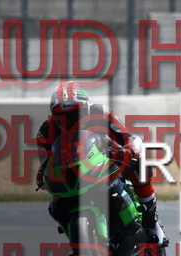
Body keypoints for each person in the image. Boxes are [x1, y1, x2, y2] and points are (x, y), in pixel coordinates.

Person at [35, 81, 167, 246]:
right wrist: (42, 174)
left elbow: (127, 137)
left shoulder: (101, 113)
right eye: (62, 116)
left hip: (107, 164)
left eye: (75, 114)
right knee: (56, 206)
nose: (69, 121)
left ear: (86, 108)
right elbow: (46, 163)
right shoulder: (46, 131)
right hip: (72, 177)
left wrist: (128, 149)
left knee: (138, 160)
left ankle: (152, 222)